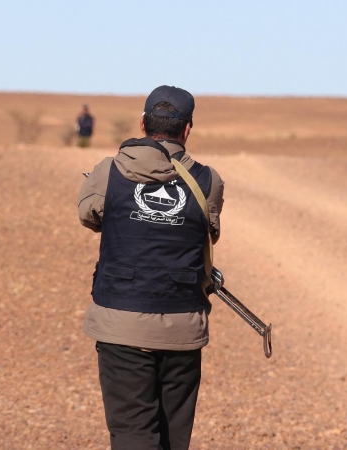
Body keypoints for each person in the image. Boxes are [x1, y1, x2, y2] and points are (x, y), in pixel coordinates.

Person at [77, 85, 224, 450]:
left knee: (132, 434)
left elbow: (89, 216)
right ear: (187, 129)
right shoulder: (208, 181)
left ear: (142, 123)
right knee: (174, 437)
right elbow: (210, 232)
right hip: (183, 326)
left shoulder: (107, 171)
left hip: (120, 323)